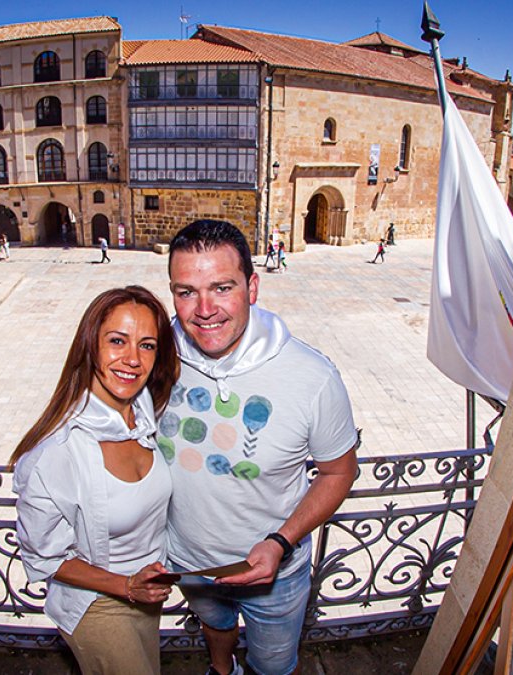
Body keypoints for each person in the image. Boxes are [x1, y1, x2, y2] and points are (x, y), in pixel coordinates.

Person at [163, 220, 359, 675]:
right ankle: (222, 669)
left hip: (276, 572)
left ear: (252, 287)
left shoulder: (313, 377)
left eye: (222, 287)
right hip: (190, 564)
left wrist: (280, 542)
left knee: (273, 664)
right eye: (186, 291)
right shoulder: (157, 359)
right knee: (215, 627)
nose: (204, 309)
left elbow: (339, 472)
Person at [13, 286, 181, 675]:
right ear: (90, 346)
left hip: (147, 594)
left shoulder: (142, 411)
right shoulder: (56, 452)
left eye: (147, 345)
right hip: (96, 603)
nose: (132, 360)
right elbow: (44, 557)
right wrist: (125, 586)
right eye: (117, 341)